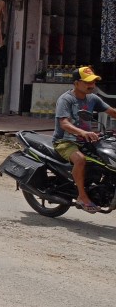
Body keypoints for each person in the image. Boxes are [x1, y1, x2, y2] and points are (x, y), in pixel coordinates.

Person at [53, 66, 116, 212]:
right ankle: (82, 196)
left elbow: (112, 112)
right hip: (65, 141)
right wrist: (82, 132)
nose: (91, 85)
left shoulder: (92, 98)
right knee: (80, 160)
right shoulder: (66, 100)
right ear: (76, 83)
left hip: (87, 140)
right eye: (87, 82)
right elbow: (64, 123)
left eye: (93, 82)